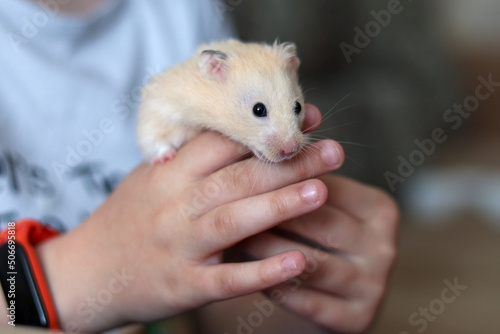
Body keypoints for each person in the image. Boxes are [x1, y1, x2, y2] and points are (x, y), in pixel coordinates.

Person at [0, 0, 398, 332]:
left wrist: (298, 294)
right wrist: (63, 279)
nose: (289, 140)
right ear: (213, 72)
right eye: (260, 111)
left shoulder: (184, 10)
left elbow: (219, 301)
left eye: (293, 110)